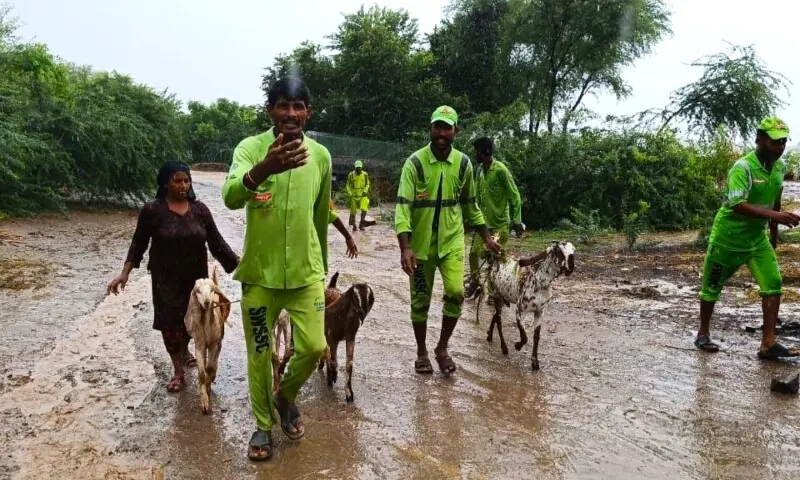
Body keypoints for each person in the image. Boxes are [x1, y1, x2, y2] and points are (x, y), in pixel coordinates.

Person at [221, 77, 332, 461]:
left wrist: (323, 268)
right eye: (282, 105)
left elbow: (321, 217)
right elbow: (231, 197)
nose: (290, 113)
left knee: (316, 346)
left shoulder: (320, 156)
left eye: (298, 106)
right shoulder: (250, 149)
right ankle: (262, 427)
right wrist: (264, 168)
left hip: (306, 276)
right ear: (270, 110)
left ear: (308, 113)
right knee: (259, 352)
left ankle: (284, 396)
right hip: (258, 277)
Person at [107, 160, 239, 392]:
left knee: (193, 321)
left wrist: (242, 267)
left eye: (186, 180)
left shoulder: (200, 210)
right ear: (165, 183)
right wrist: (124, 273)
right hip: (164, 279)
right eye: (177, 180)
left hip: (196, 280)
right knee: (170, 324)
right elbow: (138, 244)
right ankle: (178, 370)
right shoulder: (152, 211)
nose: (183, 185)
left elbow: (217, 243)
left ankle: (187, 349)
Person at [395, 105, 502, 376]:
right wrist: (405, 248)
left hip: (452, 244)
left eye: (447, 127)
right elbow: (403, 208)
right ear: (430, 128)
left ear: (456, 131)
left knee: (455, 293)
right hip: (419, 249)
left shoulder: (464, 164)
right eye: (437, 126)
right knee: (420, 301)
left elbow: (470, 205)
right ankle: (421, 351)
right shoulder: (415, 163)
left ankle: (442, 348)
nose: (441, 133)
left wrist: (487, 238)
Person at [694, 117, 800, 359]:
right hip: (728, 238)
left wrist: (773, 235)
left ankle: (768, 343)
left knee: (773, 284)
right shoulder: (742, 168)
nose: (780, 147)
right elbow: (737, 205)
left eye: (783, 142)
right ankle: (703, 333)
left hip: (757, 240)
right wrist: (777, 215)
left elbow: (776, 201)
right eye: (775, 142)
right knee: (711, 287)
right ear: (759, 140)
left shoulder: (779, 168)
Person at [464, 136, 524, 301]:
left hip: (500, 225)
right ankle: (475, 283)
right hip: (482, 224)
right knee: (474, 253)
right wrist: (470, 217)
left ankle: (494, 293)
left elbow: (515, 196)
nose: (475, 154)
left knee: (495, 258)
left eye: (477, 151)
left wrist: (517, 221)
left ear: (484, 151)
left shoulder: (501, 170)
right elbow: (475, 195)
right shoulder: (479, 171)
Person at [346, 159, 371, 231]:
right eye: (357, 168)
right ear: (355, 168)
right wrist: (349, 193)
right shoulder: (351, 175)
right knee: (353, 211)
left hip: (363, 195)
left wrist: (366, 190)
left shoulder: (365, 175)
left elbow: (368, 184)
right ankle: (354, 225)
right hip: (353, 195)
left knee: (364, 209)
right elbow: (347, 185)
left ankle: (361, 224)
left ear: (362, 168)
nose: (358, 169)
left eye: (359, 168)